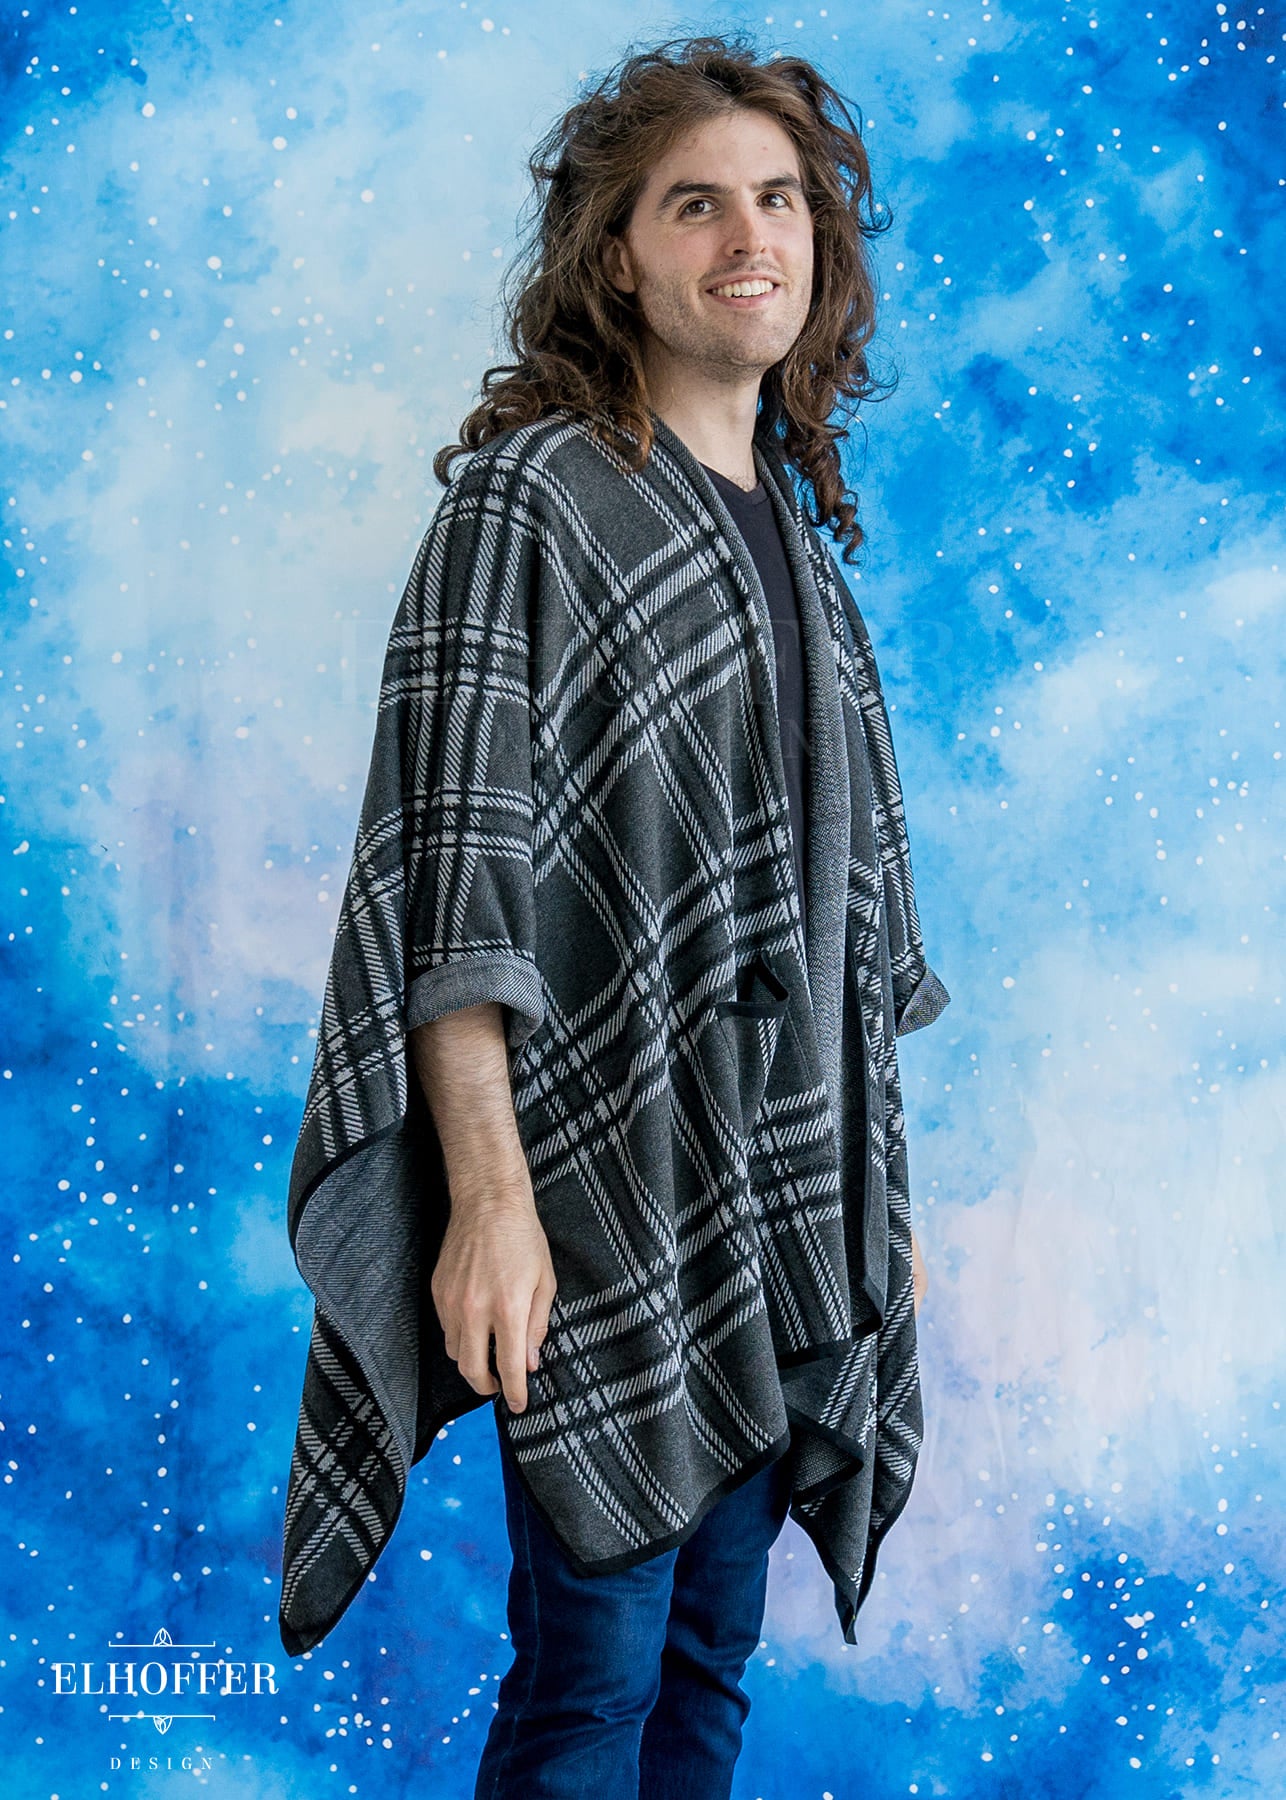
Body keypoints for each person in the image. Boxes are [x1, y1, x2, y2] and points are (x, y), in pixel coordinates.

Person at [278, 33, 950, 1800]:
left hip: (770, 1203)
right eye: (694, 203)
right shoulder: (536, 505)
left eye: (780, 199)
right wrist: (491, 1207)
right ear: (618, 254)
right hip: (593, 1195)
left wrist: (870, 1195)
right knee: (592, 1680)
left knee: (708, 1667)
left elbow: (838, 936)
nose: (750, 235)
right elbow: (457, 881)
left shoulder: (793, 536)